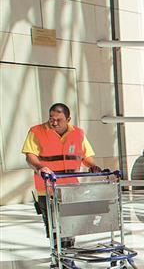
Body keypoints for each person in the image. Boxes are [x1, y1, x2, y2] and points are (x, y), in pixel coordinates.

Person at [21, 103, 101, 247]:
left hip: (71, 189)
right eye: (51, 118)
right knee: (54, 228)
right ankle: (59, 256)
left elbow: (86, 156)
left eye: (59, 119)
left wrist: (92, 166)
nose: (54, 122)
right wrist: (41, 167)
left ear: (68, 119)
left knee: (71, 226)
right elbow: (30, 157)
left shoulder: (78, 133)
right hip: (47, 189)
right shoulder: (36, 131)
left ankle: (67, 253)